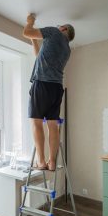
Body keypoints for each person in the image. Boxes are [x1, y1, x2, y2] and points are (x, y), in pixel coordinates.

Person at [23, 13, 75, 171]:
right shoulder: (67, 49)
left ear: (63, 28)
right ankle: (52, 162)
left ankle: (41, 161)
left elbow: (26, 31)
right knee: (53, 124)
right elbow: (40, 57)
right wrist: (34, 40)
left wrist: (30, 21)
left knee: (36, 122)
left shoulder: (54, 32)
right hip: (56, 88)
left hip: (42, 85)